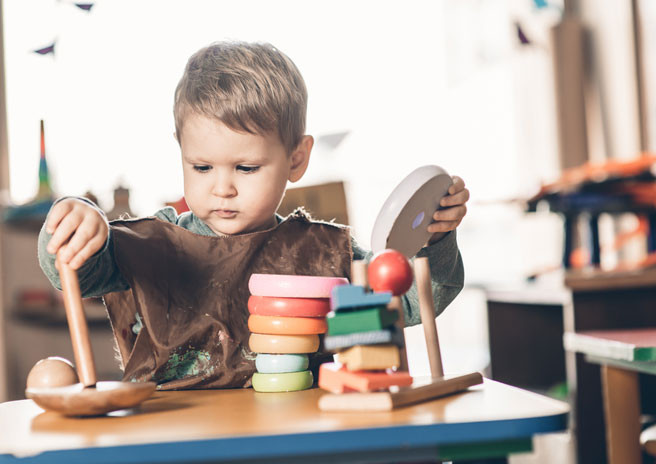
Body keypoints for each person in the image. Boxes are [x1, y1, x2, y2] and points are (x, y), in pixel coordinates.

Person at [37, 41, 469, 388]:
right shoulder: (154, 244)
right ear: (181, 152)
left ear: (296, 159)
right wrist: (75, 221)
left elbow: (413, 301)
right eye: (201, 167)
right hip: (175, 443)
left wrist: (434, 239)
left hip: (300, 442)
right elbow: (72, 273)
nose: (222, 187)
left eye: (246, 168)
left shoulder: (323, 252)